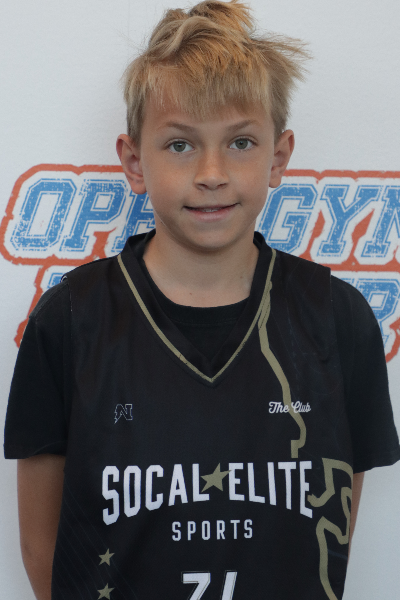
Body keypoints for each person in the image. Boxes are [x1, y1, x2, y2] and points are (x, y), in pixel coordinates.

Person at [4, 1, 400, 599]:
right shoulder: (70, 320)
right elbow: (42, 548)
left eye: (240, 142)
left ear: (278, 157)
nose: (212, 173)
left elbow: (333, 523)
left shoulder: (338, 318)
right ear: (134, 161)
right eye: (180, 145)